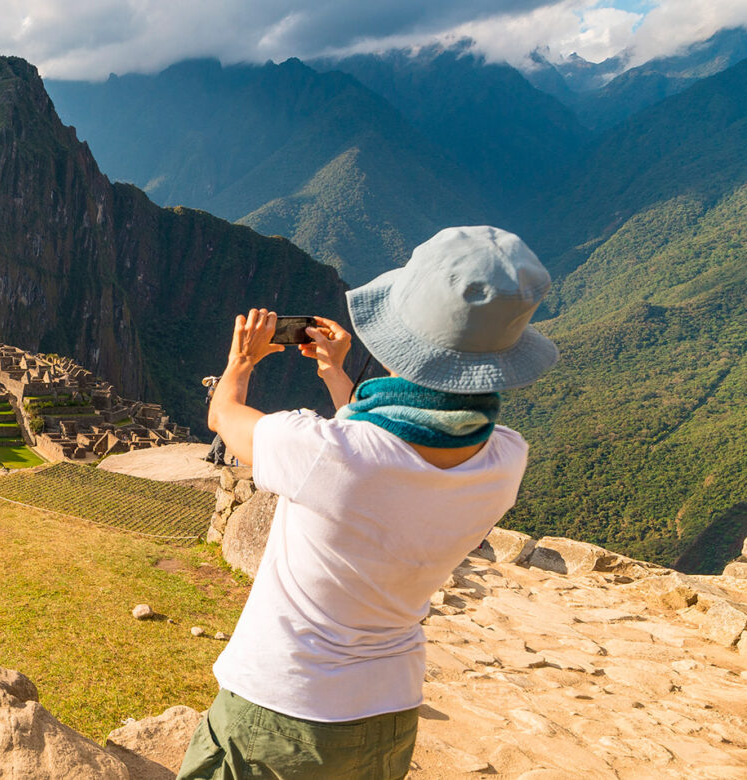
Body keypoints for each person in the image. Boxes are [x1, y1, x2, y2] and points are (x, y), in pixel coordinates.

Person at [178, 226, 559, 780]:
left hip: (282, 710)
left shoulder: (322, 452)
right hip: (388, 718)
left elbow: (223, 415)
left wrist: (242, 360)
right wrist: (334, 372)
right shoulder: (504, 458)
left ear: (402, 334)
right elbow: (375, 450)